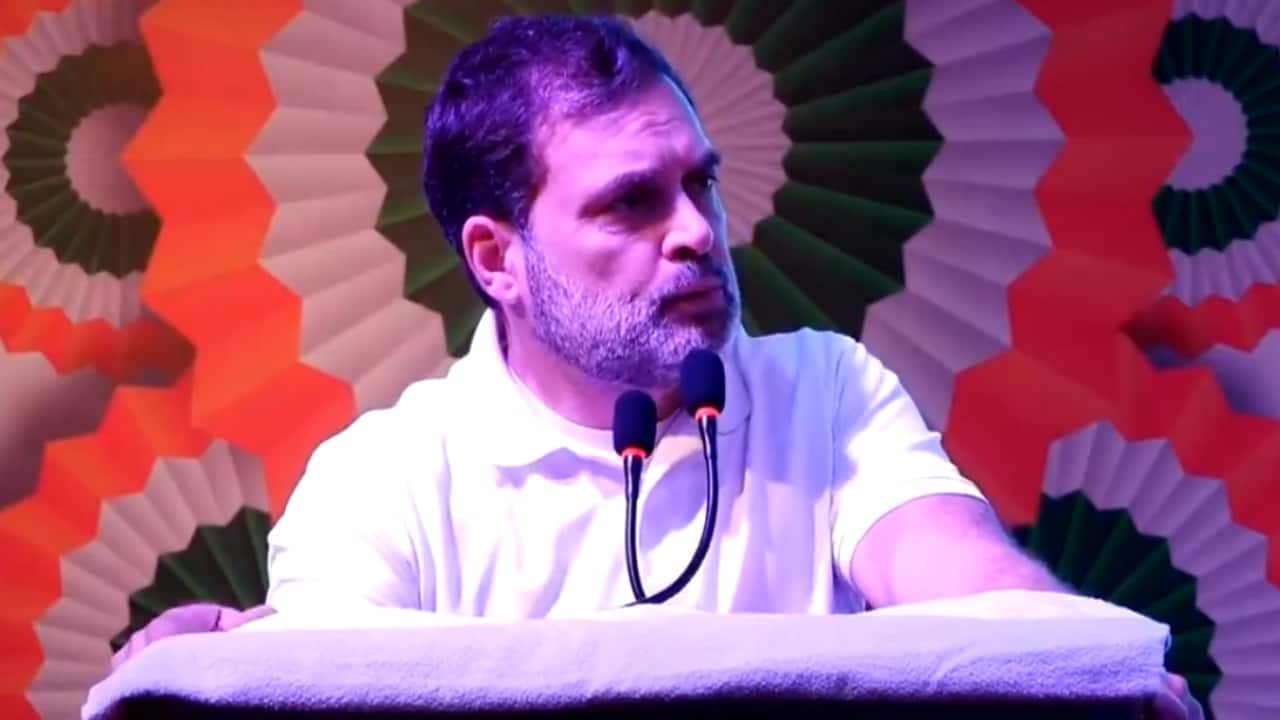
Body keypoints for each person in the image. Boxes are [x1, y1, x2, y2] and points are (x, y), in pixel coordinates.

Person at [111, 14, 1199, 719]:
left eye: (699, 185)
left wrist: (1086, 671)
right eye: (630, 202)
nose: (695, 233)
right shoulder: (381, 477)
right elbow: (326, 687)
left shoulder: (827, 393)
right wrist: (236, 667)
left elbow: (978, 596)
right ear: (497, 258)